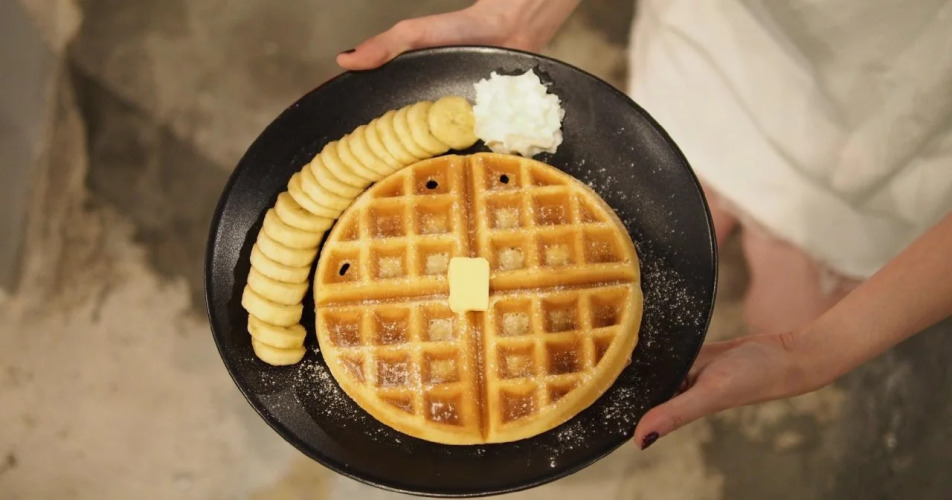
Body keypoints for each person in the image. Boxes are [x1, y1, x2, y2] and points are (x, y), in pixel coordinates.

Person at [336, 0, 952, 449]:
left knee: (790, 295)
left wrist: (814, 349)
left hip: (895, 93)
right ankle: (717, 205)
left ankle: (791, 241)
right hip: (719, 35)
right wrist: (524, 12)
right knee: (667, 190)